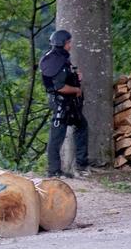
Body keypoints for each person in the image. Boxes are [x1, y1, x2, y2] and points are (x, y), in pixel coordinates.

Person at [39, 30, 90, 178]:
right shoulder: (57, 60)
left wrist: (76, 77)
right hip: (61, 103)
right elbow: (59, 87)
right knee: (57, 136)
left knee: (81, 125)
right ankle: (54, 171)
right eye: (69, 42)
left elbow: (63, 76)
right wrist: (76, 89)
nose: (71, 44)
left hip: (67, 102)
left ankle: (81, 165)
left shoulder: (55, 57)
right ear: (65, 43)